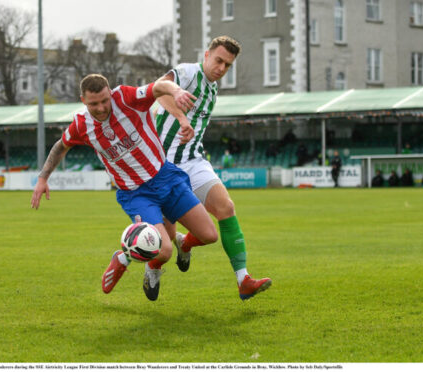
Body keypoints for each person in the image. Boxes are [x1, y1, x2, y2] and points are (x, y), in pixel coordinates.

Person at [30, 74, 218, 301]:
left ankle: (183, 243)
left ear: (110, 93)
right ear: (83, 100)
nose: (101, 108)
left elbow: (159, 86)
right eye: (93, 104)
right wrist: (43, 178)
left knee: (209, 235)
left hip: (166, 177)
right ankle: (133, 261)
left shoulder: (126, 98)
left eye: (104, 100)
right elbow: (61, 146)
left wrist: (176, 91)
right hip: (136, 193)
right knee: (164, 251)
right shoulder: (81, 125)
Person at [155, 35, 272, 300]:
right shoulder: (188, 72)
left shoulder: (213, 89)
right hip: (163, 165)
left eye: (227, 65)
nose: (221, 68)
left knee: (226, 207)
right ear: (206, 55)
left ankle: (243, 280)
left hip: (193, 160)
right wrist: (181, 118)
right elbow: (159, 90)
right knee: (163, 240)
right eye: (218, 60)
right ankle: (152, 264)